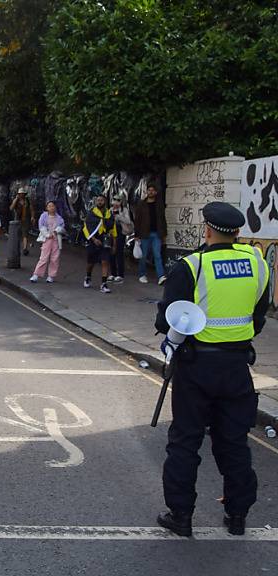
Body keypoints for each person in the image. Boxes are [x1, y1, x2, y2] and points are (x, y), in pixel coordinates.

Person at [154, 202, 272, 538]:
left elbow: (166, 320)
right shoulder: (258, 263)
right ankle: (237, 516)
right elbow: (259, 317)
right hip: (237, 367)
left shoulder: (193, 265)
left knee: (185, 441)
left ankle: (181, 516)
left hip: (196, 366)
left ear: (206, 229)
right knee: (234, 442)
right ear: (237, 232)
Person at [82, 193, 117, 294]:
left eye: (101, 200)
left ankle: (104, 284)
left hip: (105, 239)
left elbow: (113, 229)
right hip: (93, 239)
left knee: (105, 261)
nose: (100, 202)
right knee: (91, 262)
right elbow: (86, 228)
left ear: (105, 202)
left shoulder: (109, 214)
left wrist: (114, 244)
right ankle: (88, 276)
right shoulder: (91, 213)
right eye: (98, 200)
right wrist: (93, 239)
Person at [134, 184, 168, 285]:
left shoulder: (159, 204)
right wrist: (136, 234)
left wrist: (164, 233)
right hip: (144, 233)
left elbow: (162, 219)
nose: (151, 192)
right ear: (147, 192)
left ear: (156, 192)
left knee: (157, 255)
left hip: (156, 233)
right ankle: (142, 274)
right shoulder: (141, 204)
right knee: (143, 255)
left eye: (153, 190)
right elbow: (137, 220)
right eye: (149, 190)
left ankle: (161, 276)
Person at [30, 201, 65, 283]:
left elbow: (62, 227)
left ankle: (51, 276)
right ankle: (36, 274)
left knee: (55, 258)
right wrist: (47, 234)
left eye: (53, 206)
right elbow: (41, 226)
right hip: (47, 239)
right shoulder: (44, 216)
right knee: (43, 257)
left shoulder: (59, 218)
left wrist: (56, 231)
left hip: (56, 240)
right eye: (49, 206)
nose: (51, 208)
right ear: (46, 208)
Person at [109, 198, 133, 283]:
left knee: (119, 253)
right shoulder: (110, 209)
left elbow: (128, 221)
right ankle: (113, 273)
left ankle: (120, 274)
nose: (116, 202)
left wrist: (119, 216)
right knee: (111, 252)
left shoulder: (124, 210)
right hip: (112, 233)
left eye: (118, 201)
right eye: (114, 200)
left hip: (121, 232)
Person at [10, 189, 33, 256]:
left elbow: (31, 209)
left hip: (26, 218)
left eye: (23, 194)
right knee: (17, 234)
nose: (21, 195)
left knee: (25, 234)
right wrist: (15, 200)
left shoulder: (27, 201)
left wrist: (32, 216)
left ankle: (25, 248)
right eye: (20, 194)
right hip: (18, 219)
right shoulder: (16, 200)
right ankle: (16, 248)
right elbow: (11, 208)